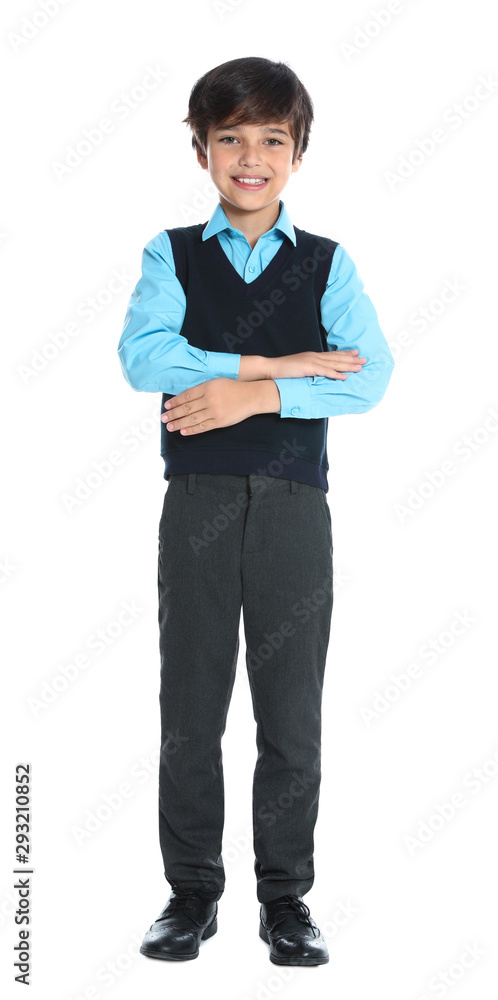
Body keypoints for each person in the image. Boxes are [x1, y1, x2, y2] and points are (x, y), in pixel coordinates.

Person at [117, 55, 394, 966]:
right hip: (195, 499)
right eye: (230, 137)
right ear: (200, 149)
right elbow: (146, 357)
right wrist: (270, 366)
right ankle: (191, 892)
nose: (250, 157)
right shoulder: (172, 254)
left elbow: (368, 377)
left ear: (298, 153)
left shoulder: (325, 263)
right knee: (191, 706)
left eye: (272, 139)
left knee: (290, 712)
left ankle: (286, 899)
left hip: (292, 505)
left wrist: (259, 401)